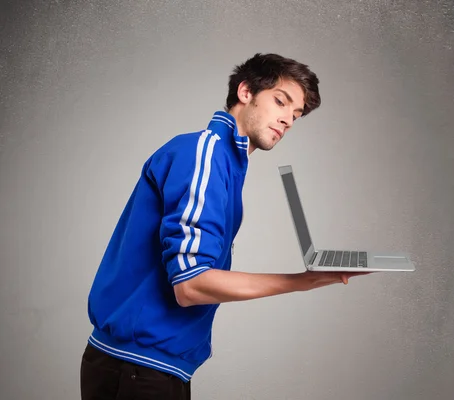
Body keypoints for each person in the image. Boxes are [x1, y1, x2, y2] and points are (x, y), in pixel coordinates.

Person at [80, 53, 369, 400]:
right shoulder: (205, 154)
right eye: (281, 101)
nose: (288, 120)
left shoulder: (227, 163)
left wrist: (313, 277)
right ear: (246, 92)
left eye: (296, 115)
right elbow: (191, 285)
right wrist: (302, 281)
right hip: (136, 369)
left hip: (150, 368)